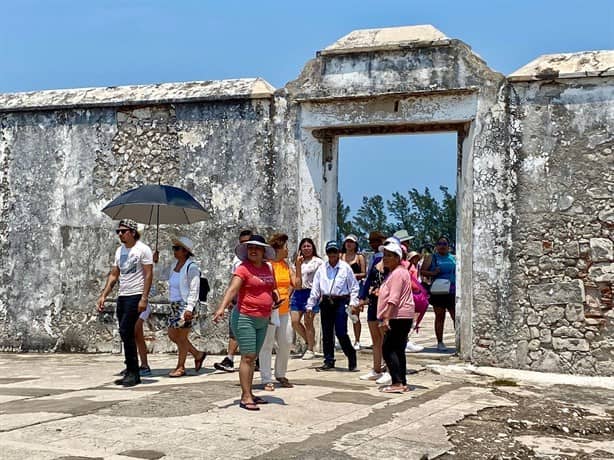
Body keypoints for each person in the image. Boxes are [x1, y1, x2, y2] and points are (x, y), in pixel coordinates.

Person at [213, 235, 279, 411]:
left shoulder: (267, 268)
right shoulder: (243, 269)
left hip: (263, 318)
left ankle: (249, 391)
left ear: (264, 251)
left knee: (253, 357)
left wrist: (275, 298)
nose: (253, 250)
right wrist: (221, 308)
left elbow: (271, 288)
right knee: (248, 356)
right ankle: (245, 396)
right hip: (245, 317)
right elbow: (233, 288)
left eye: (257, 248)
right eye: (250, 247)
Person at [97, 219, 153, 387]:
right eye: (118, 231)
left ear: (133, 232)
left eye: (123, 231)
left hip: (136, 295)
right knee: (124, 333)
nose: (120, 234)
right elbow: (114, 275)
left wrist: (144, 298)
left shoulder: (143, 250)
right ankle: (130, 369)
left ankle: (134, 372)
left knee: (126, 330)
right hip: (123, 295)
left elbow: (149, 274)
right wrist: (104, 295)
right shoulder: (119, 251)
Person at [153, 237, 206, 377]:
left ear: (185, 251)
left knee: (181, 337)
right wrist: (156, 262)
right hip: (174, 304)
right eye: (174, 248)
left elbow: (194, 289)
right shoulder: (174, 264)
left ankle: (181, 367)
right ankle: (197, 354)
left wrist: (189, 308)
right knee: (172, 335)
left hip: (185, 304)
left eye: (177, 248)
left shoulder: (191, 267)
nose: (174, 251)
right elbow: (160, 276)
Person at [307, 241, 359, 372]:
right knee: (327, 332)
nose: (332, 255)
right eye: (330, 252)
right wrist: (310, 305)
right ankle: (329, 360)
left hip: (340, 301)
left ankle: (351, 354)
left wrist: (353, 303)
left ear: (338, 253)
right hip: (326, 301)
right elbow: (316, 288)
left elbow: (354, 287)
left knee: (341, 332)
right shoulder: (322, 269)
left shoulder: (345, 268)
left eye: (334, 252)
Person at [377, 241, 415, 393]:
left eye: (389, 256)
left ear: (397, 257)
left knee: (388, 349)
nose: (385, 258)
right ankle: (401, 381)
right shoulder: (396, 272)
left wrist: (386, 318)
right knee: (398, 349)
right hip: (401, 315)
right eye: (384, 255)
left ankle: (397, 382)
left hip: (398, 316)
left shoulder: (398, 273)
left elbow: (394, 297)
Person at [214, 229, 253, 372]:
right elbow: (233, 280)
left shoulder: (260, 261)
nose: (245, 245)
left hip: (253, 302)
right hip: (238, 299)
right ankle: (229, 358)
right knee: (234, 329)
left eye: (247, 242)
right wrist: (228, 300)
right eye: (242, 243)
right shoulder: (237, 260)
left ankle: (256, 359)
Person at [259, 233, 294, 391]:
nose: (288, 250)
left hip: (284, 309)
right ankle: (266, 378)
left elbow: (295, 284)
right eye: (286, 247)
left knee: (286, 341)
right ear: (279, 248)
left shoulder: (286, 265)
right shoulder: (267, 264)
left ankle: (280, 373)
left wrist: (298, 267)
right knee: (267, 344)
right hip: (270, 310)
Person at [358, 231, 387, 383]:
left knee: (386, 338)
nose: (374, 243)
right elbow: (368, 280)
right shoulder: (374, 259)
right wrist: (362, 298)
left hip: (386, 303)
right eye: (372, 240)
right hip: (373, 302)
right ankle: (376, 368)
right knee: (376, 338)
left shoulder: (393, 265)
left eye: (378, 240)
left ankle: (387, 369)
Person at [421, 236, 456, 352]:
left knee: (455, 316)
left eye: (444, 243)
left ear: (448, 246)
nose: (442, 245)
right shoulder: (432, 257)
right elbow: (422, 271)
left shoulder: (453, 258)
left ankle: (459, 339)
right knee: (440, 317)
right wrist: (433, 272)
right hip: (438, 291)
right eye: (440, 243)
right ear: (436, 246)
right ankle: (440, 342)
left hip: (452, 290)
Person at [290, 238, 323, 360]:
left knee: (308, 322)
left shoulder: (318, 262)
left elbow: (321, 278)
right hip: (298, 293)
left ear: (313, 247)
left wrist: (320, 294)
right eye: (304, 246)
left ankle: (310, 349)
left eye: (309, 246)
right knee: (295, 321)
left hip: (312, 293)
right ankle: (309, 342)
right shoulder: (297, 262)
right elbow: (294, 280)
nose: (306, 248)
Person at [341, 234, 366, 351]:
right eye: (347, 242)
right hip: (343, 288)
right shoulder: (341, 256)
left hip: (356, 288)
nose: (349, 244)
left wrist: (353, 276)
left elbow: (364, 273)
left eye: (351, 242)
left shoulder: (359, 257)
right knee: (342, 315)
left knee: (355, 315)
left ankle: (357, 340)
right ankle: (343, 339)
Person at [405, 251, 427, 353]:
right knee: (409, 319)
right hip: (411, 295)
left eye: (417, 257)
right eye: (413, 257)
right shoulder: (409, 267)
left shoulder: (416, 267)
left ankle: (407, 339)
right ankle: (405, 341)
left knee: (414, 320)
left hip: (417, 295)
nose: (415, 259)